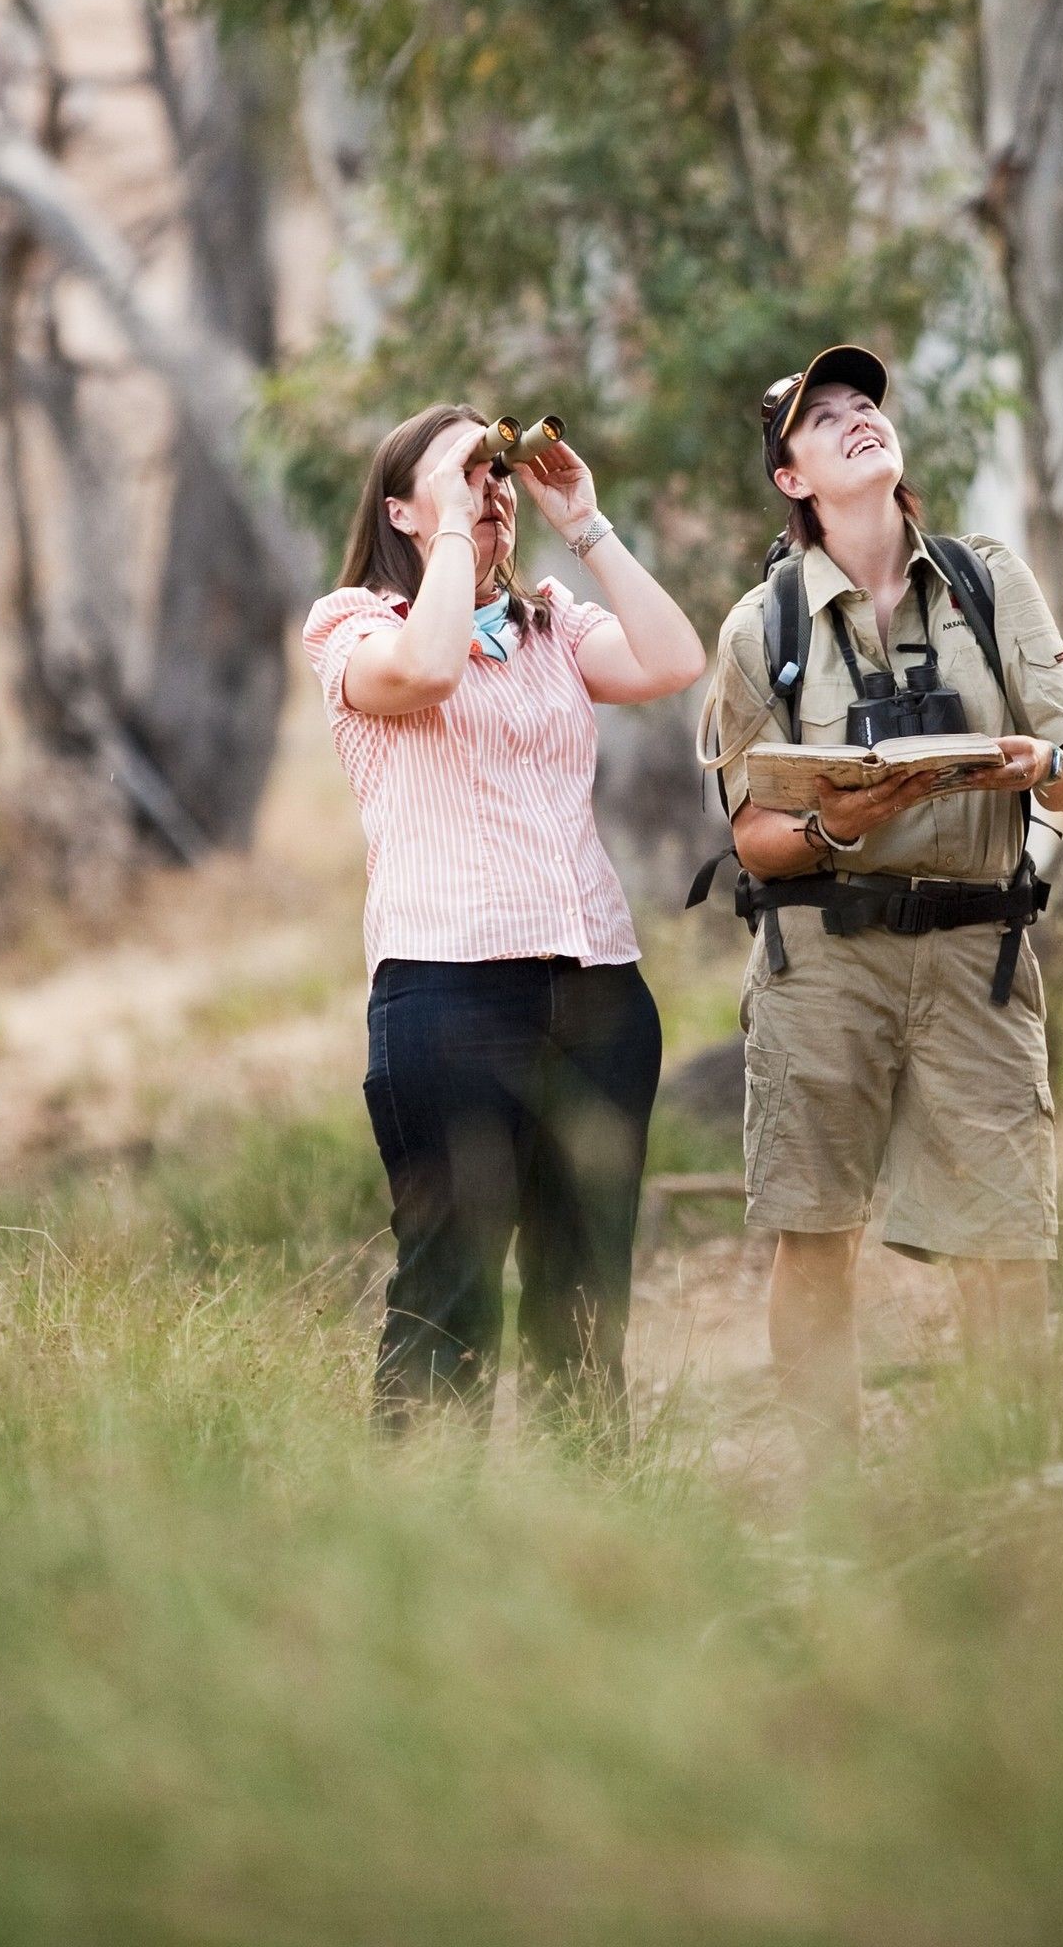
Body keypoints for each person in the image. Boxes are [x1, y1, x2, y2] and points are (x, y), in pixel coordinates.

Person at [696, 346, 1063, 1457]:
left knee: (1005, 1237)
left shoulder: (988, 580)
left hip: (982, 950)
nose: (858, 419)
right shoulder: (758, 628)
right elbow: (754, 838)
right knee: (815, 1227)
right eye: (824, 419)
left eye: (865, 403)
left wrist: (1031, 769)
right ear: (792, 479)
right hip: (824, 959)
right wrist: (840, 824)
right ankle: (830, 1497)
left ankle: (1016, 1474)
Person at [303, 404, 709, 1424]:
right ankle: (426, 1549)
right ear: (400, 507)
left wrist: (585, 522)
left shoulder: (551, 626)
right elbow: (429, 672)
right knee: (452, 1300)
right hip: (446, 994)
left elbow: (673, 662)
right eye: (467, 473)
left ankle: (586, 1540)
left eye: (496, 475)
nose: (491, 491)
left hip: (598, 994)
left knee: (585, 1303)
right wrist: (449, 527)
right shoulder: (353, 628)